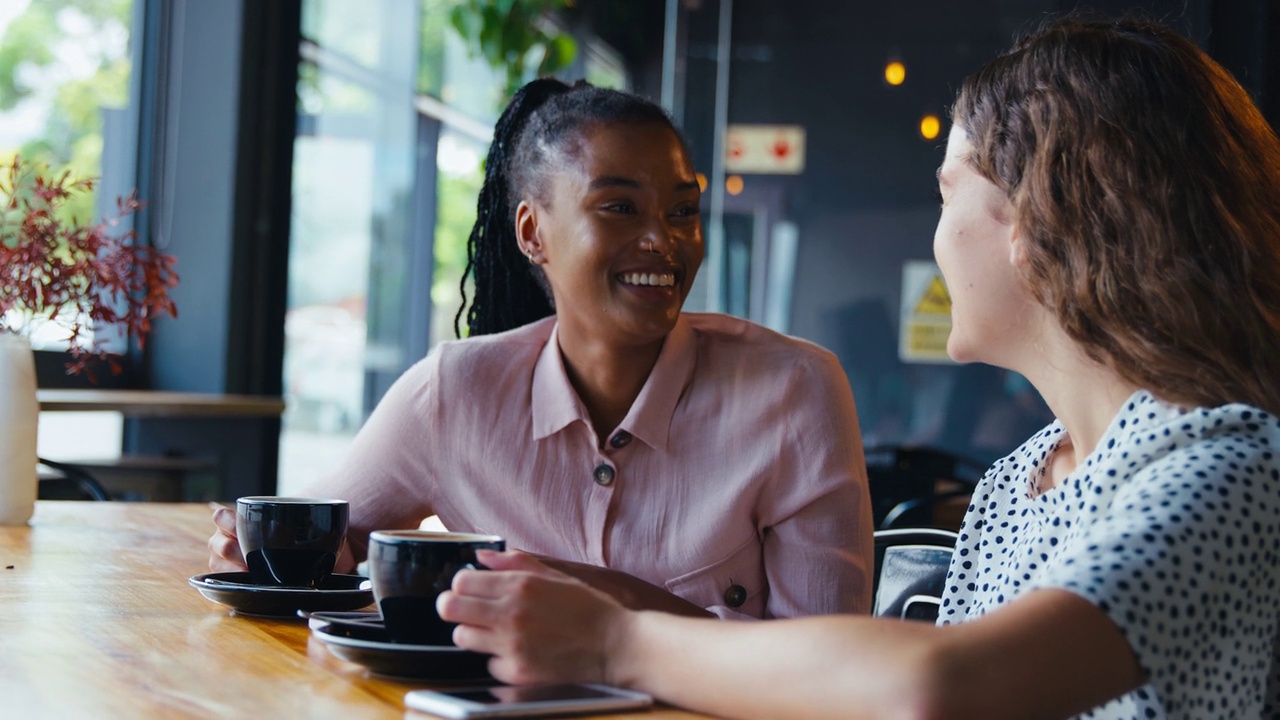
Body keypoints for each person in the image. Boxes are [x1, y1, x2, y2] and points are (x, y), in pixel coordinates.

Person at [437, 17, 1280, 718]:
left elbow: (944, 685)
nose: (937, 238)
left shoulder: (1232, 468)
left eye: (948, 195)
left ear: (1040, 220)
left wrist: (610, 638)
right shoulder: (1020, 480)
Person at [208, 79, 873, 619]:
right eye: (619, 208)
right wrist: (252, 549)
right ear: (533, 231)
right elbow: (322, 541)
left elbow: (828, 672)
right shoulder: (454, 393)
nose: (662, 241)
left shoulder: (795, 389)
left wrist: (562, 593)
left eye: (680, 211)